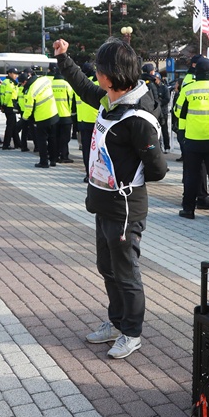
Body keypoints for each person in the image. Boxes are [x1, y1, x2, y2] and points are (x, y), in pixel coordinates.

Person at [53, 37, 167, 360]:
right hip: (103, 203)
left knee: (126, 272)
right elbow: (82, 88)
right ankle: (116, 322)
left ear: (110, 75)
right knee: (107, 266)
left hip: (125, 208)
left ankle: (131, 333)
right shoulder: (109, 99)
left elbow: (158, 169)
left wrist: (127, 177)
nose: (96, 76)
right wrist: (64, 58)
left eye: (100, 70)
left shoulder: (138, 118)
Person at [175, 57, 209, 219]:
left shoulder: (188, 89)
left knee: (192, 176)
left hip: (193, 139)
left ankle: (188, 209)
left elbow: (177, 111)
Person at [21, 68, 59, 167]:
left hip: (42, 118)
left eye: (22, 83)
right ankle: (53, 160)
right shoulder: (44, 79)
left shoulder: (31, 91)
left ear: (25, 81)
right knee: (53, 139)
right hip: (54, 113)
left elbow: (28, 110)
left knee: (42, 141)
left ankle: (44, 162)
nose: (22, 85)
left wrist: (23, 119)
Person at [75, 62, 99, 177]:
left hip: (83, 121)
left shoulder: (81, 85)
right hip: (98, 122)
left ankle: (88, 174)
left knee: (86, 151)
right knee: (98, 151)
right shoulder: (99, 83)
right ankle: (97, 174)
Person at [51, 64, 75, 163]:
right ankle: (64, 156)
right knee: (65, 138)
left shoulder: (50, 84)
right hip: (65, 115)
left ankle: (54, 156)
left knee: (55, 137)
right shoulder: (66, 85)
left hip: (53, 115)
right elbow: (71, 100)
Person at [0, 67, 21, 150]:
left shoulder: (8, 82)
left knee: (12, 125)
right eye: (14, 74)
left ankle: (17, 143)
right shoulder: (9, 83)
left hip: (9, 106)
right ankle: (6, 144)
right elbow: (8, 95)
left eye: (16, 74)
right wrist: (4, 105)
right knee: (10, 126)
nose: (16, 75)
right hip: (9, 106)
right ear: (10, 73)